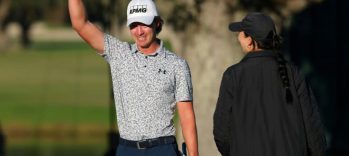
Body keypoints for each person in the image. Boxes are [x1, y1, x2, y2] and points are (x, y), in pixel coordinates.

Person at [68, 0, 199, 156]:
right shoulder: (119, 54)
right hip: (127, 149)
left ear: (157, 23)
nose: (139, 32)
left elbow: (187, 118)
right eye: (133, 26)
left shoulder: (177, 65)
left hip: (162, 149)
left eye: (144, 24)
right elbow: (79, 24)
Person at [213, 12, 326, 156]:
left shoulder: (233, 75)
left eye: (240, 34)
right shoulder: (293, 73)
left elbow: (221, 133)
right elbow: (313, 130)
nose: (238, 38)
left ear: (250, 41)